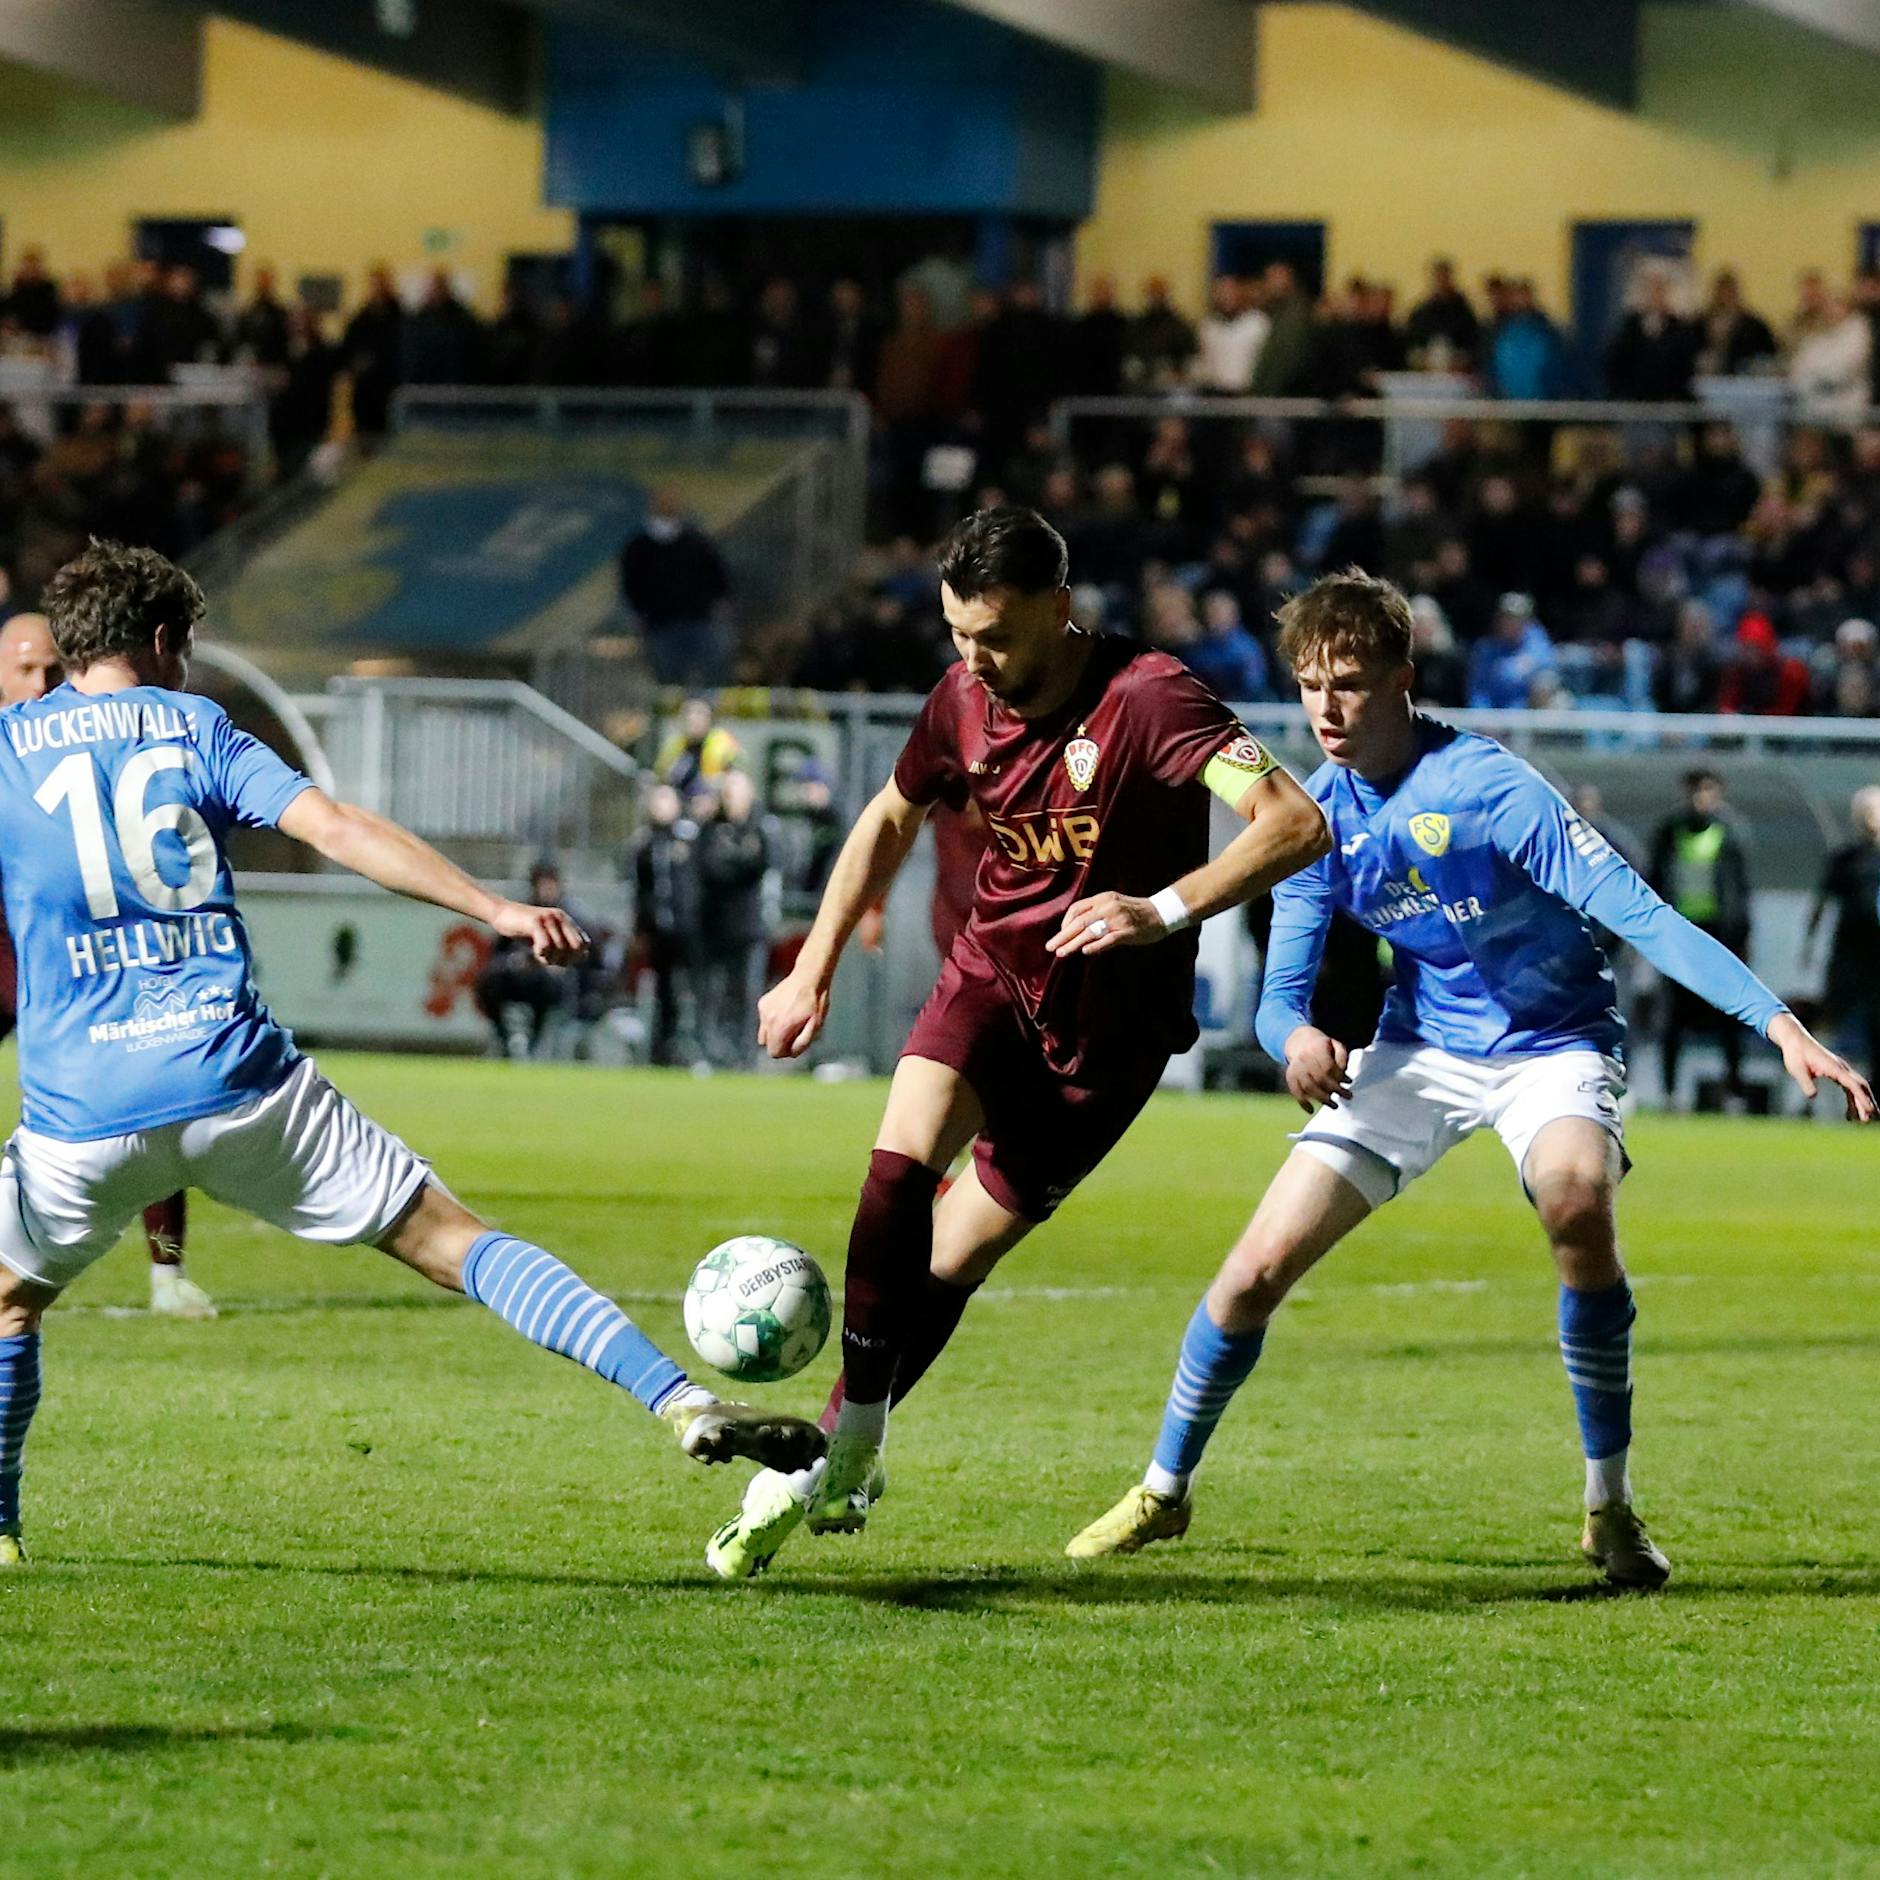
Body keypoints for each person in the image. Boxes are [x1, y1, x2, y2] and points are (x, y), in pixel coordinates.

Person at [0, 543, 825, 1566]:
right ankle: (677, 1394)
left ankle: (0, 1527)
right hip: (239, 1079)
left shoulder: (9, 745)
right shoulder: (199, 725)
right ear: (163, 641)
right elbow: (339, 828)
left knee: (9, 1300)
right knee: (457, 1244)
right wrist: (495, 906)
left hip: (84, 1111)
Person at [1067, 571, 1872, 1584]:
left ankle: (1607, 1505)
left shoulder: (1491, 789)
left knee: (1576, 1200)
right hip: (1418, 1051)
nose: (1325, 707)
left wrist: (1777, 1023)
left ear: (1403, 679)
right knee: (1253, 1268)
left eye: (1350, 682)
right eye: (1310, 684)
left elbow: (1639, 912)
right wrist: (1294, 1039)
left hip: (1554, 1042)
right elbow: (1283, 990)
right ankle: (1161, 1487)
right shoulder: (1313, 819)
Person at [700, 506, 1330, 1580]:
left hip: (1109, 1036)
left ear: (1057, 606)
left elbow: (1292, 821)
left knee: (946, 1263)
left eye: (992, 634)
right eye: (956, 632)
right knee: (896, 1171)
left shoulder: (1152, 698)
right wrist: (811, 965)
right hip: (990, 970)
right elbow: (888, 819)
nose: (972, 657)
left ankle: (814, 1466)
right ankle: (850, 1441)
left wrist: (1160, 908)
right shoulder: (957, 700)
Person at [0, 614, 208, 1319]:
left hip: (79, 959)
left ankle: (167, 1273)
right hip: (5, 951)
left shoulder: (97, 743)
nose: (42, 682)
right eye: (25, 669)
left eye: (52, 668)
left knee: (151, 1085)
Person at [1645, 769, 1754, 1107]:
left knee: (1729, 1015)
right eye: (1696, 791)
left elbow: (1741, 890)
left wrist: (1741, 935)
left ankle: (1734, 1091)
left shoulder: (1730, 834)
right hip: (1680, 936)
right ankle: (1669, 1091)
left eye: (1708, 791)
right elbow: (1653, 881)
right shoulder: (1669, 832)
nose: (1701, 798)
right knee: (1674, 1016)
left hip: (1720, 938)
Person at [695, 771, 779, 1069]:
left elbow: (764, 863)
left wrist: (737, 861)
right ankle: (709, 1052)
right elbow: (711, 868)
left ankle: (745, 1055)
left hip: (750, 927)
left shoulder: (762, 827)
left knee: (747, 994)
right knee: (711, 993)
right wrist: (741, 860)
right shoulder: (711, 829)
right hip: (714, 926)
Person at [619, 490, 733, 691]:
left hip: (699, 620)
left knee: (712, 671)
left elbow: (718, 576)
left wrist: (719, 604)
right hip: (660, 624)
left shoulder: (696, 542)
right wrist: (639, 612)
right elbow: (630, 583)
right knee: (669, 681)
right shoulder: (638, 547)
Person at [473, 861, 587, 1058]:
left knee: (547, 986)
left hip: (553, 980)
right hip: (519, 975)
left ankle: (535, 1046)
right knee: (489, 981)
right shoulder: (522, 911)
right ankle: (505, 1039)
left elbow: (586, 955)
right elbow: (499, 949)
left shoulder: (570, 914)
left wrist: (560, 963)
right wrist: (515, 961)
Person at [1805, 787, 1880, 1078]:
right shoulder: (1845, 859)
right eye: (1865, 813)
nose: (1869, 819)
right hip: (1849, 953)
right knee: (1831, 1017)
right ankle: (1816, 1087)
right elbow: (1821, 904)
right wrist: (1808, 945)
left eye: (1874, 812)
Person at [632, 783, 703, 1067]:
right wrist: (640, 929)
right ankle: (661, 1051)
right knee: (663, 993)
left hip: (690, 929)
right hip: (659, 930)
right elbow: (641, 891)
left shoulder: (690, 836)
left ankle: (696, 1047)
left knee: (693, 989)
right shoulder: (646, 843)